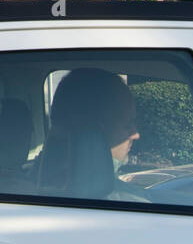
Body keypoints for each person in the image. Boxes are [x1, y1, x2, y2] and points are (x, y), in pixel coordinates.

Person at [37, 67, 146, 202]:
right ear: (93, 131)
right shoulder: (130, 204)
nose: (136, 135)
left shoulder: (20, 186)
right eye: (128, 124)